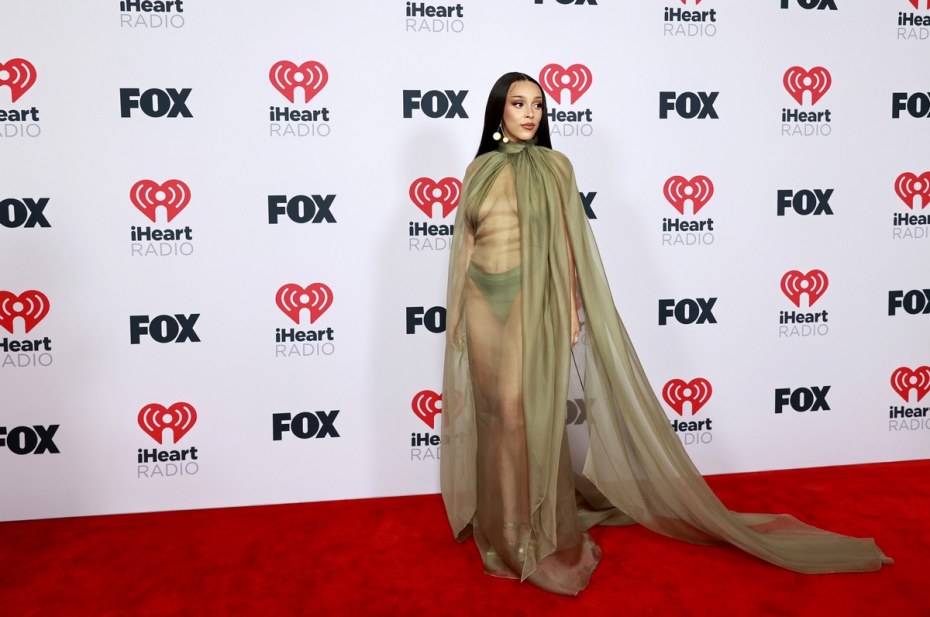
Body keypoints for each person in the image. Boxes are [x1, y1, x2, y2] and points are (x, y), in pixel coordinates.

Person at [439, 72, 892, 596]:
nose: (530, 113)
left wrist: (570, 310)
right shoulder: (478, 169)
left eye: (538, 104)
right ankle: (500, 527)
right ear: (499, 110)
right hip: (482, 306)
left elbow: (567, 242)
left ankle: (531, 530)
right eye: (519, 103)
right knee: (496, 418)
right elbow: (465, 243)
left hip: (532, 308)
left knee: (524, 418)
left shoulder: (557, 166)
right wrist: (458, 316)